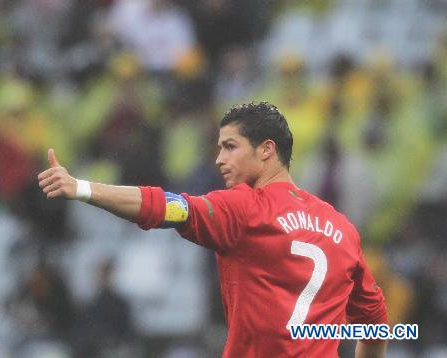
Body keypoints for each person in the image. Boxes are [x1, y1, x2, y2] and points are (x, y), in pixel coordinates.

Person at [38, 102, 388, 357]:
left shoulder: (246, 207)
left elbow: (164, 206)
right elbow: (374, 322)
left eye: (230, 147)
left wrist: (82, 189)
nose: (219, 159)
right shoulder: (341, 228)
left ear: (267, 150)